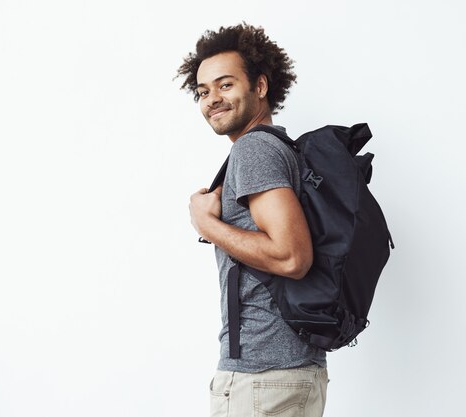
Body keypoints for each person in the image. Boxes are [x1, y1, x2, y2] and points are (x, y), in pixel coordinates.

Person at [177, 23, 328, 417]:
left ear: (260, 87)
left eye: (225, 85)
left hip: (261, 376)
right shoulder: (276, 147)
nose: (212, 99)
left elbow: (292, 257)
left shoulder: (254, 150)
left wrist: (205, 223)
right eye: (203, 91)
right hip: (289, 371)